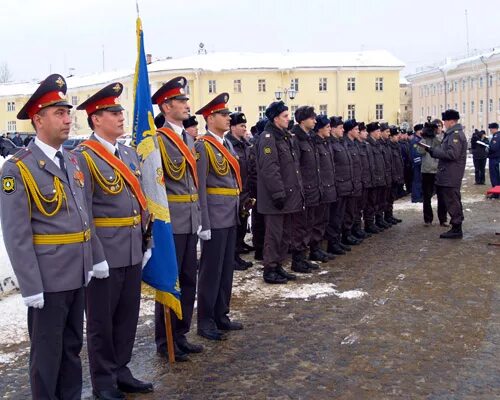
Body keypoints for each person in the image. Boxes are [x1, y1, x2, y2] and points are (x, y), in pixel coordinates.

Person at [0, 74, 97, 399]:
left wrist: (93, 261)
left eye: (68, 112)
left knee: (72, 349)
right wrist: (30, 286)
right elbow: (16, 233)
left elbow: (83, 217)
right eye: (59, 113)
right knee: (46, 357)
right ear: (38, 119)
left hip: (76, 275)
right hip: (48, 280)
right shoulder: (18, 169)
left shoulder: (71, 160)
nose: (68, 119)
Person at [75, 82, 153, 399]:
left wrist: (146, 241)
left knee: (127, 316)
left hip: (132, 247)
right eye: (113, 112)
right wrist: (95, 255)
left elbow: (140, 200)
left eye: (121, 111)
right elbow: (84, 212)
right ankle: (103, 380)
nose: (121, 117)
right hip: (105, 252)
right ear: (96, 119)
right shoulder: (83, 157)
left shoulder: (129, 154)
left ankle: (121, 368)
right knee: (101, 323)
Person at [151, 76, 203, 362]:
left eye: (185, 100)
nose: (186, 105)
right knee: (171, 281)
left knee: (188, 279)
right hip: (171, 221)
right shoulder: (158, 140)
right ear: (166, 106)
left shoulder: (188, 138)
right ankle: (165, 338)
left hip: (190, 217)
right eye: (180, 101)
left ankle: (180, 333)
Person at [195, 93, 243, 340]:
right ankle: (205, 321)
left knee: (226, 270)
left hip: (230, 214)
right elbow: (200, 185)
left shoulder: (227, 144)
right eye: (223, 115)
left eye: (227, 114)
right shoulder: (203, 146)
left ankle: (221, 314)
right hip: (214, 217)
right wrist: (203, 220)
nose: (228, 118)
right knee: (211, 272)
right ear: (209, 118)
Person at [256, 101, 303, 284]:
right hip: (275, 198)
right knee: (274, 235)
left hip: (288, 195)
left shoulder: (284, 137)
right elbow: (270, 169)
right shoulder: (268, 138)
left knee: (284, 234)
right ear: (276, 119)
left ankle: (279, 266)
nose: (288, 119)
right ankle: (269, 269)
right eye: (285, 116)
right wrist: (278, 194)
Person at [290, 106, 324, 271]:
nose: (315, 121)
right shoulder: (295, 139)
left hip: (313, 188)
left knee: (310, 223)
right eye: (312, 118)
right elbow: (296, 166)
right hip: (303, 190)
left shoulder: (309, 138)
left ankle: (306, 255)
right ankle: (297, 259)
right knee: (300, 226)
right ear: (303, 120)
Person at [425, 109, 467, 239]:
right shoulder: (452, 134)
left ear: (451, 121)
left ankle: (456, 227)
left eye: (445, 121)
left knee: (452, 200)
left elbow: (452, 154)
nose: (444, 123)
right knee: (452, 199)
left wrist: (434, 152)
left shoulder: (455, 135)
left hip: (451, 174)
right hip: (449, 173)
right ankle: (456, 225)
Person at [226, 111, 254, 270]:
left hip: (246, 192)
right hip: (235, 193)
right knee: (235, 226)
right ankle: (232, 258)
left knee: (243, 224)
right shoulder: (228, 145)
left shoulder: (245, 145)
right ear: (233, 127)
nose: (245, 128)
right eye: (242, 126)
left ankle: (237, 254)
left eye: (245, 125)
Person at [325, 116, 355, 254]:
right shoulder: (330, 144)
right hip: (336, 186)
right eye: (340, 127)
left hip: (344, 186)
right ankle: (333, 243)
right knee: (334, 217)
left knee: (340, 215)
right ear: (333, 129)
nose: (343, 130)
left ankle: (338, 240)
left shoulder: (340, 143)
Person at [311, 114, 337, 259]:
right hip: (320, 188)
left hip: (327, 187)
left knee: (323, 220)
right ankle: (315, 249)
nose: (330, 129)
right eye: (327, 127)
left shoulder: (325, 143)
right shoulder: (315, 143)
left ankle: (319, 247)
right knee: (317, 221)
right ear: (319, 129)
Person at [417, 119, 448, 226]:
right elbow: (420, 151)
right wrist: (425, 138)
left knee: (442, 196)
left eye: (439, 126)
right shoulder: (424, 138)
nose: (438, 128)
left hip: (439, 170)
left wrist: (435, 137)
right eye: (436, 126)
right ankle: (428, 219)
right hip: (427, 171)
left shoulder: (443, 138)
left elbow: (443, 149)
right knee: (427, 196)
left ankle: (443, 219)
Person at [341, 119, 364, 245]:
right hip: (348, 183)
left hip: (355, 182)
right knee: (348, 211)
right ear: (350, 131)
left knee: (354, 210)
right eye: (356, 129)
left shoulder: (354, 144)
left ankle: (351, 232)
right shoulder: (346, 144)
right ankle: (346, 234)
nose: (358, 131)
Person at [364, 122, 386, 233]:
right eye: (377, 131)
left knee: (377, 201)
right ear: (372, 132)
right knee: (371, 202)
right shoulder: (368, 145)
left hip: (380, 177)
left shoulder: (377, 144)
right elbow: (371, 164)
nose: (379, 133)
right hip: (374, 178)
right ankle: (369, 223)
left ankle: (377, 220)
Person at [353, 122, 373, 239]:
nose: (366, 133)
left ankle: (359, 228)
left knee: (363, 205)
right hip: (357, 182)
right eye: (363, 131)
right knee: (355, 209)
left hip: (365, 180)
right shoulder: (352, 145)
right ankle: (354, 230)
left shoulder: (365, 145)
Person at [386, 126, 404, 224]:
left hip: (397, 176)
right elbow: (391, 163)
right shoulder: (389, 147)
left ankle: (390, 215)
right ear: (391, 137)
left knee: (391, 198)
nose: (398, 137)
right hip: (392, 177)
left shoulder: (396, 146)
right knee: (388, 198)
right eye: (396, 135)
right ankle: (387, 216)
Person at [410, 124, 424, 202]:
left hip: (420, 163)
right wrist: (419, 162)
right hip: (417, 164)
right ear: (417, 131)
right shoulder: (415, 140)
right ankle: (416, 197)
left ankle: (420, 195)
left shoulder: (420, 139)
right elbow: (414, 153)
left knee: (420, 180)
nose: (422, 132)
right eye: (421, 130)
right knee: (417, 180)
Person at [488, 122, 500, 193]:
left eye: (491, 129)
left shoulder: (496, 136)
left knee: (494, 176)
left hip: (494, 159)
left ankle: (496, 192)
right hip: (496, 158)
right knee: (496, 176)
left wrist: (488, 147)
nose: (490, 131)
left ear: (493, 129)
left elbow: (494, 148)